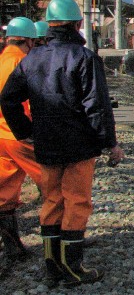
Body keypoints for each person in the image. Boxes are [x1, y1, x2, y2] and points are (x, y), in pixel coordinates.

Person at [0, 0, 124, 287]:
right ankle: (73, 268)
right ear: (79, 24)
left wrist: (25, 130)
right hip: (79, 146)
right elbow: (96, 106)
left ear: (50, 24)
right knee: (77, 202)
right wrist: (110, 143)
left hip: (46, 145)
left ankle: (52, 267)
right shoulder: (84, 58)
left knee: (52, 200)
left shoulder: (31, 59)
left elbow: (8, 99)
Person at [0, 17, 41, 265]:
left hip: (0, 137)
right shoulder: (22, 63)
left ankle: (13, 248)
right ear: (28, 40)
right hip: (19, 135)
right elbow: (32, 102)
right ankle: (63, 239)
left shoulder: (2, 59)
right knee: (52, 181)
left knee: (5, 194)